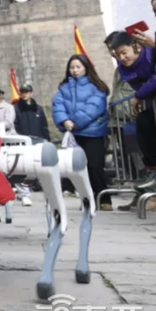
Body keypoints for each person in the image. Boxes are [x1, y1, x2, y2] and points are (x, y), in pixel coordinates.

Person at [110, 33, 156, 212]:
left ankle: (154, 194)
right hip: (148, 109)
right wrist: (144, 91)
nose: (121, 58)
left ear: (136, 46)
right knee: (143, 132)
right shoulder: (124, 66)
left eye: (123, 53)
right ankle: (150, 178)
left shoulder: (154, 52)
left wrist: (141, 93)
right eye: (116, 55)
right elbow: (142, 86)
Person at [52, 55, 112, 211]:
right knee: (78, 168)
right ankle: (88, 199)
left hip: (93, 133)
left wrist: (75, 122)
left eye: (78, 67)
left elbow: (94, 107)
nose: (75, 70)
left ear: (86, 67)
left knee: (95, 166)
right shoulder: (64, 88)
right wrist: (64, 121)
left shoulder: (97, 86)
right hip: (74, 134)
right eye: (72, 67)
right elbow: (58, 106)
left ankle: (104, 199)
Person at [0, 86, 31, 205]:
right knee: (0, 169)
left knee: (15, 166)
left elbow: (8, 123)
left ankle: (24, 193)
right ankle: (5, 193)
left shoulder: (9, 108)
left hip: (10, 140)